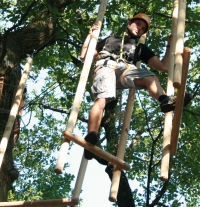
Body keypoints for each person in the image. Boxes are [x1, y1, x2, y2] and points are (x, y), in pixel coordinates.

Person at [81, 13, 192, 160]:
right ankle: (92, 136)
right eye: (138, 24)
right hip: (106, 65)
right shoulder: (110, 39)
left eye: (143, 28)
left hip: (125, 70)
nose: (139, 28)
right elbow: (85, 55)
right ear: (129, 23)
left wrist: (169, 44)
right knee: (102, 100)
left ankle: (165, 99)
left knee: (150, 77)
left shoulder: (140, 48)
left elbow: (163, 66)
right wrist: (90, 35)